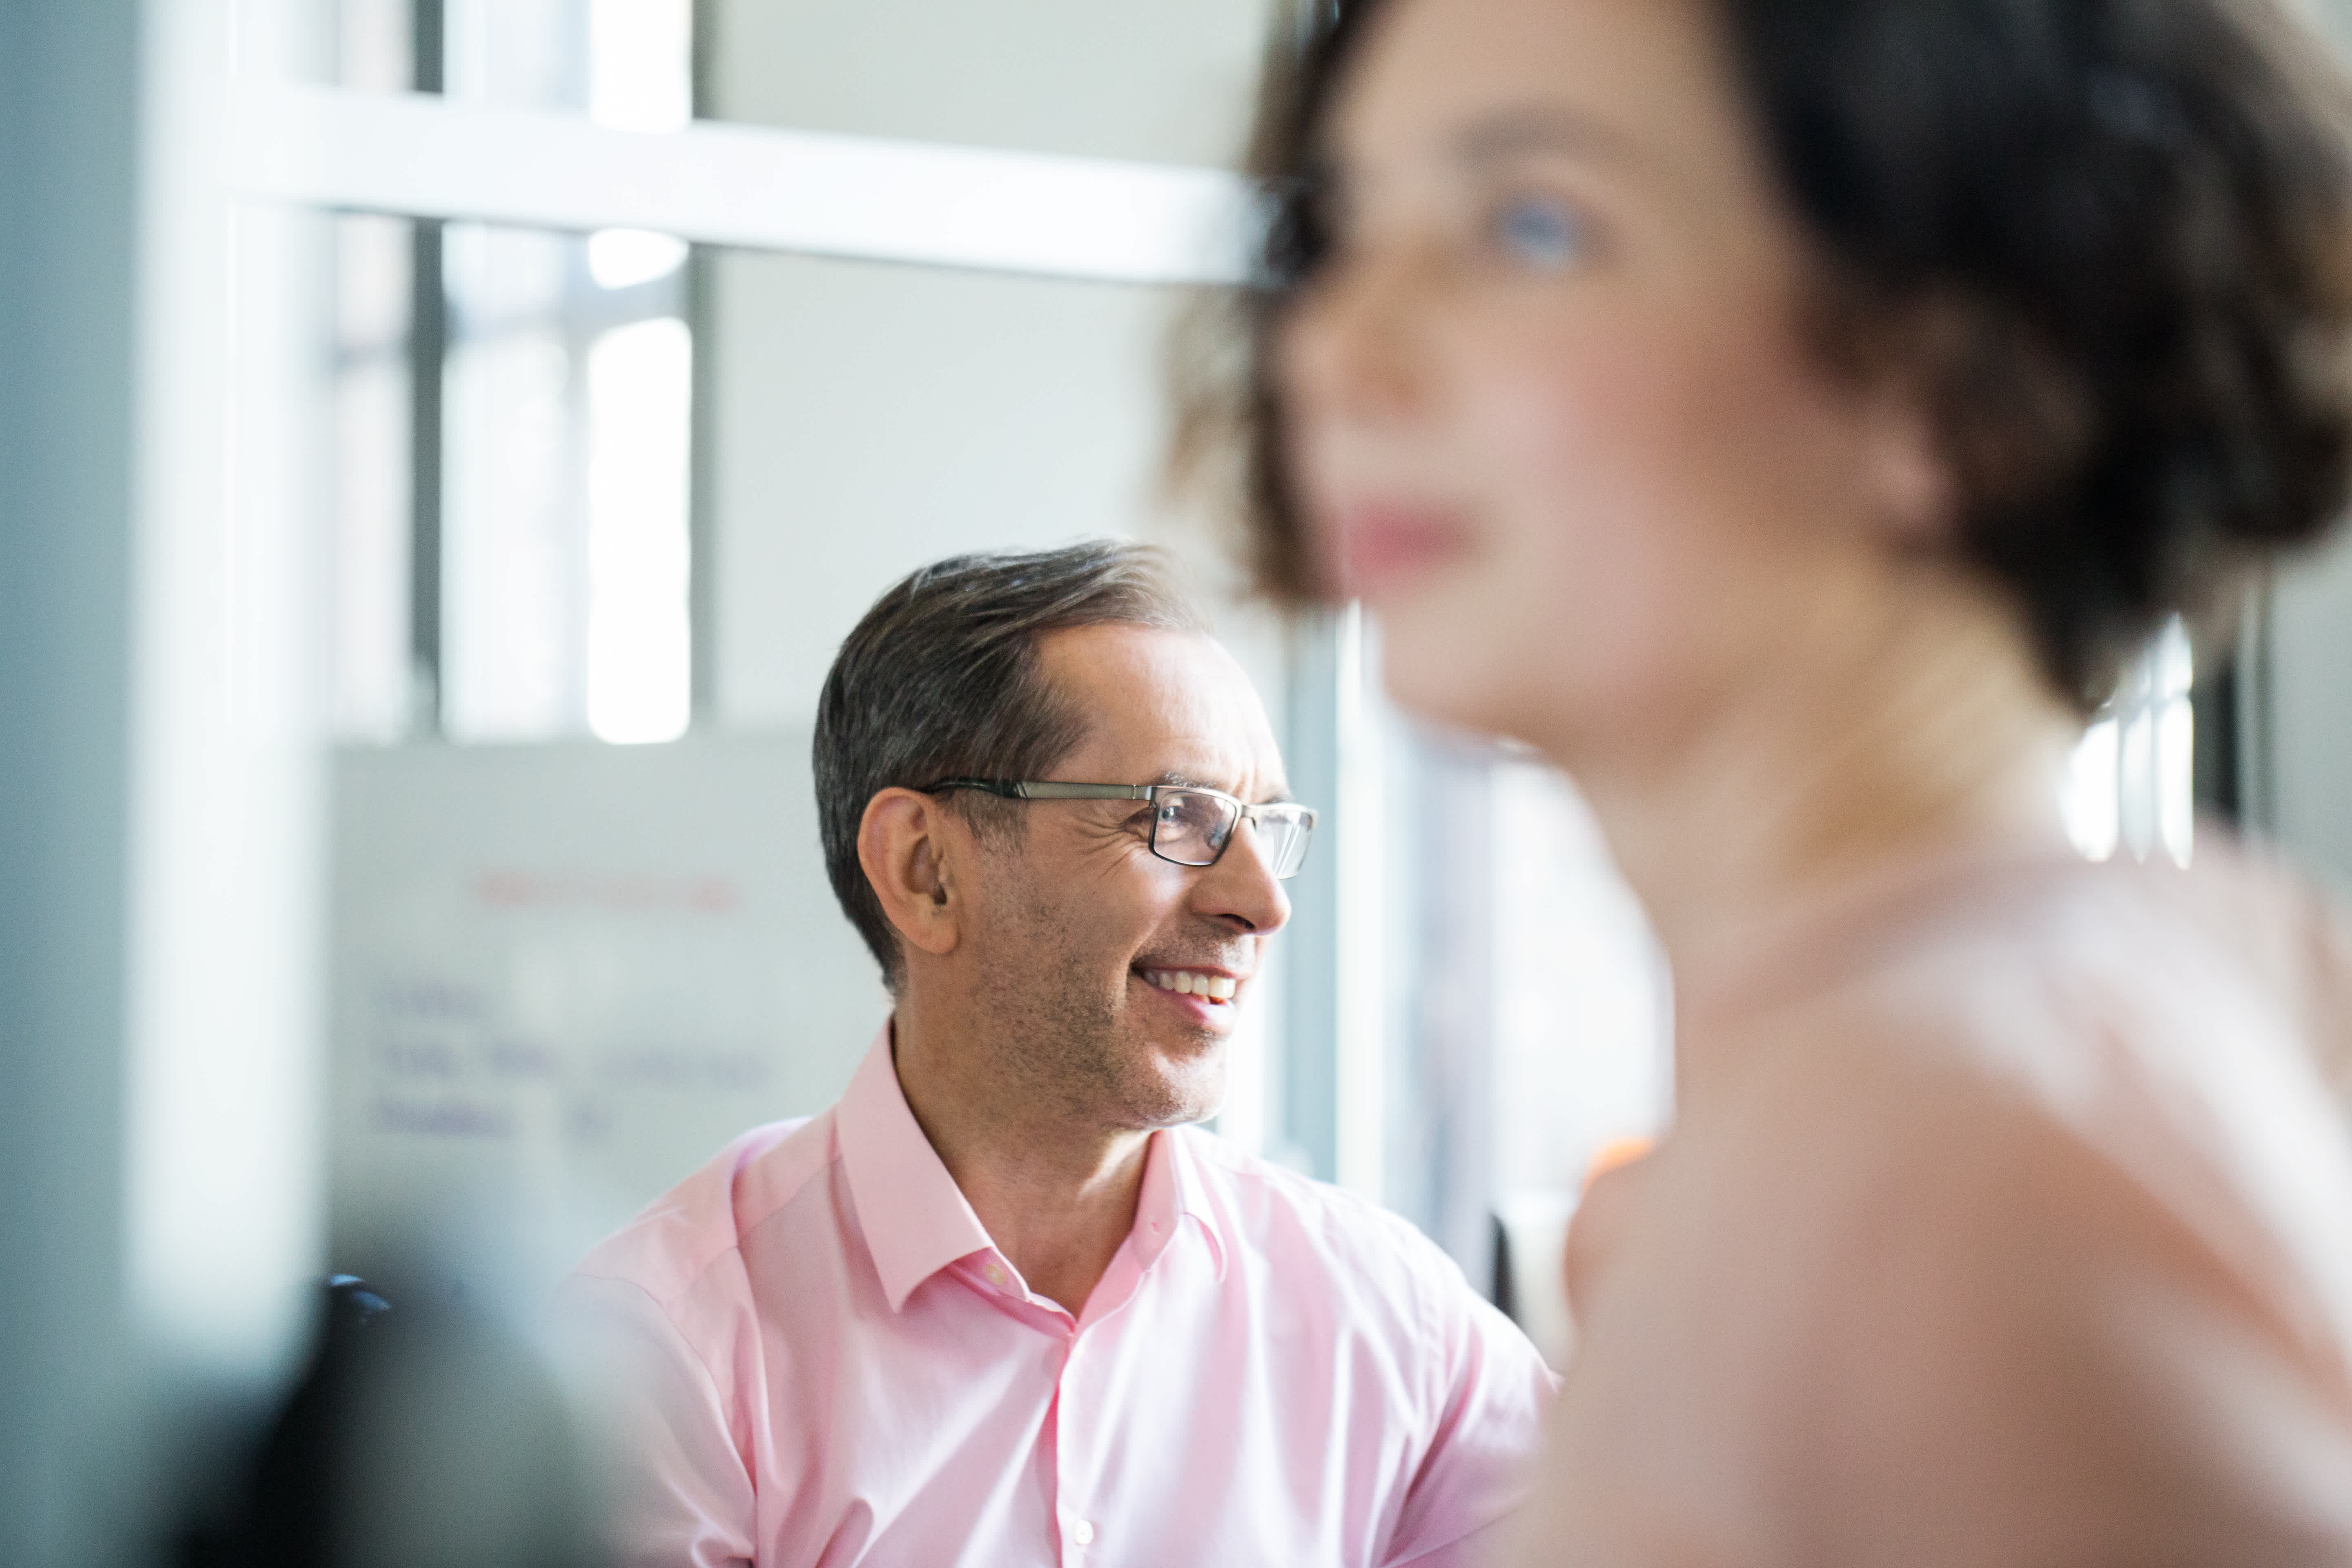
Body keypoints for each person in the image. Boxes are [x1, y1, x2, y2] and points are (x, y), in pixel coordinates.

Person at [1205, 0, 2352, 1559]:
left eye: (1535, 224)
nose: (1344, 348)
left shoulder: (1946, 1165)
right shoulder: (2157, 986)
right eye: (1339, 226)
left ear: (1961, 375)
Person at [563, 543, 1555, 1568]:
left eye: (1265, 826)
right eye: (1180, 818)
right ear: (927, 871)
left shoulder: (1383, 1317)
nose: (1263, 903)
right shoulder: (660, 1353)